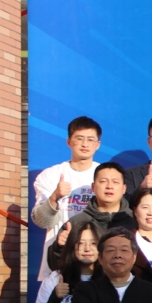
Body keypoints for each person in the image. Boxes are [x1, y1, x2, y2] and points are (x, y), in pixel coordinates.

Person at [31, 115, 102, 281]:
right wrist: (54, 197)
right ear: (69, 141)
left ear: (98, 144)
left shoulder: (105, 176)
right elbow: (41, 221)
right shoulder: (50, 175)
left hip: (96, 261)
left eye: (90, 139)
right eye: (79, 138)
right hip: (59, 259)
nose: (85, 144)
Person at [44, 162, 135, 273]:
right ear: (93, 187)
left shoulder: (135, 221)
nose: (109, 186)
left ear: (124, 188)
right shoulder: (76, 223)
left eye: (115, 182)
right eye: (103, 181)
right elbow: (55, 266)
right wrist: (60, 247)